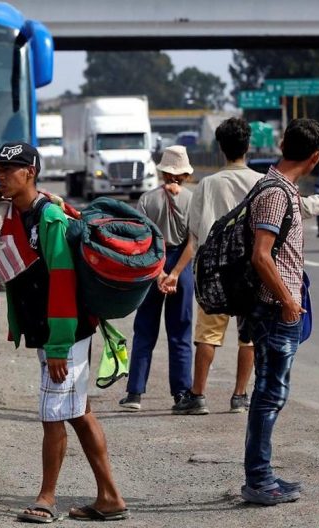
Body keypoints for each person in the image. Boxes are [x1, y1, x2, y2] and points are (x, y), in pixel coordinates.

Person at [0, 142, 127, 522]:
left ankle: (46, 499)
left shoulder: (50, 217)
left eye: (9, 169)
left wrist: (58, 345)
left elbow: (63, 280)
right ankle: (110, 498)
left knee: (52, 414)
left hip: (65, 333)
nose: (1, 176)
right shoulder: (6, 215)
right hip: (48, 331)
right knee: (79, 413)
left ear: (31, 173)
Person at [177, 118, 319, 415]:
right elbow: (304, 208)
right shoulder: (265, 183)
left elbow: (194, 230)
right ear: (248, 146)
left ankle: (197, 395)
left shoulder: (207, 185)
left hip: (218, 275)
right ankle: (239, 395)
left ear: (221, 148)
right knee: (247, 337)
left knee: (207, 336)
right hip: (252, 274)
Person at [240, 118, 319, 505]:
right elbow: (261, 255)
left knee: (269, 393)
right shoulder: (276, 192)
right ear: (315, 157)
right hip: (275, 310)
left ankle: (263, 473)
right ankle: (258, 480)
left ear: (282, 145)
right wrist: (288, 301)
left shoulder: (278, 186)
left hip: (274, 308)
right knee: (269, 395)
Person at [120, 145, 194, 412]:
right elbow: (193, 242)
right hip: (181, 268)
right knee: (180, 333)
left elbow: (141, 241)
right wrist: (174, 274)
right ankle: (182, 393)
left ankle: (135, 393)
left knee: (144, 330)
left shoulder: (147, 199)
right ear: (185, 174)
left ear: (163, 172)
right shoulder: (193, 199)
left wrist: (159, 272)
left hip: (151, 264)